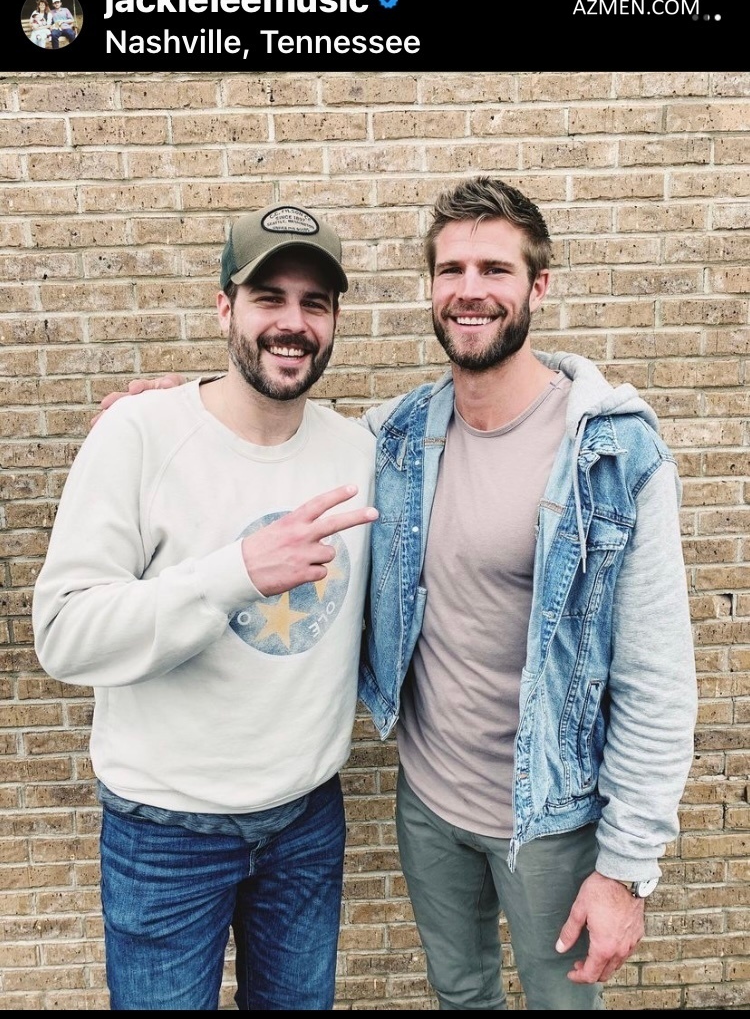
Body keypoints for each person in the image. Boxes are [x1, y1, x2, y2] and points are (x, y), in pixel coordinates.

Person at [95, 177, 698, 1010]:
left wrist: (627, 868)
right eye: (452, 269)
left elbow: (657, 681)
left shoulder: (614, 456)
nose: (471, 289)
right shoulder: (396, 439)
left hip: (552, 820)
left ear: (539, 286)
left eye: (496, 268)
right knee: (460, 993)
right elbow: (271, 427)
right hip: (429, 805)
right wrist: (172, 410)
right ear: (432, 288)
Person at [32, 204, 379, 1011]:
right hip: (164, 832)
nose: (292, 323)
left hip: (305, 823)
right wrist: (235, 573)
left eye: (315, 303)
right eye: (268, 297)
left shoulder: (361, 451)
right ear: (225, 307)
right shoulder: (139, 435)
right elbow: (63, 632)